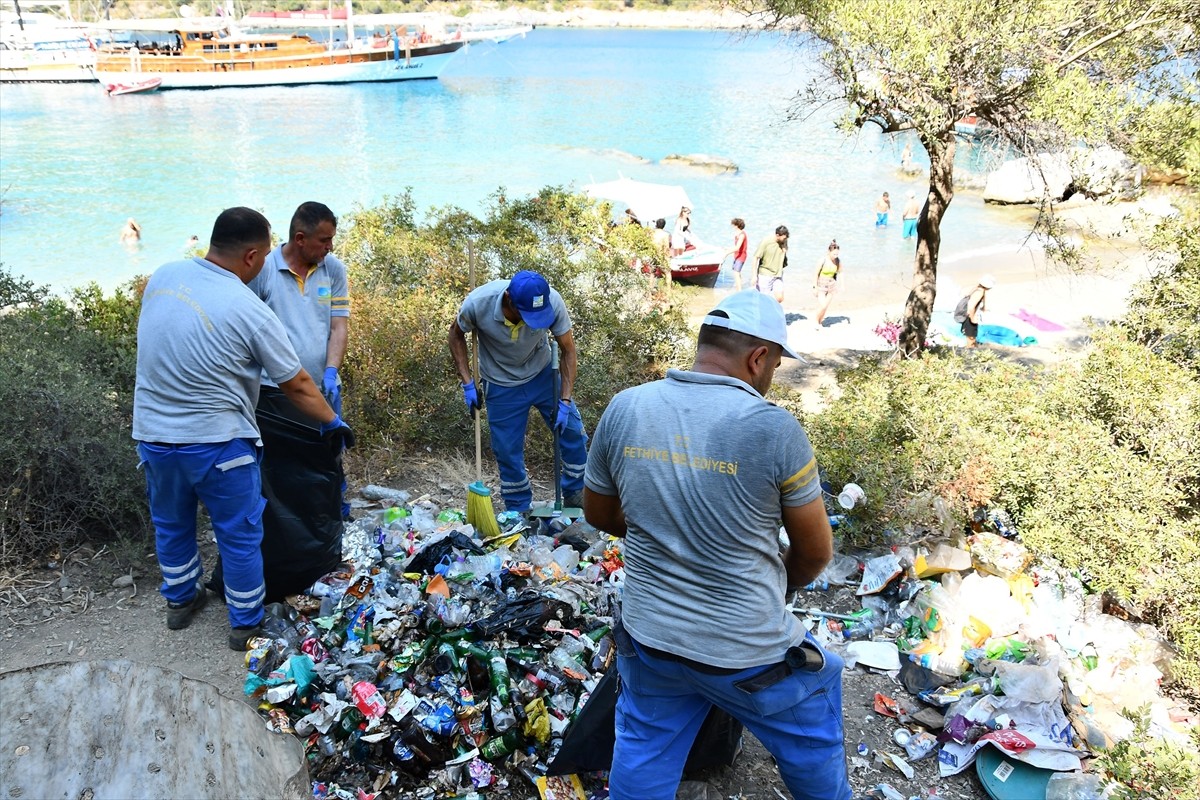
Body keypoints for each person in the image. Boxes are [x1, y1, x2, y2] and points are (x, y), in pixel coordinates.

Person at [583, 290, 849, 800]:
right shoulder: (773, 428)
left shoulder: (626, 407)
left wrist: (665, 535)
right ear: (758, 358)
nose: (771, 376)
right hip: (744, 653)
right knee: (813, 734)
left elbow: (598, 513)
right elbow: (816, 552)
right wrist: (777, 587)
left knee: (644, 746)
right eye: (775, 365)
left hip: (650, 636)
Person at [133, 207, 351, 651]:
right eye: (264, 255)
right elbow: (296, 383)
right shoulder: (248, 308)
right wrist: (332, 421)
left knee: (171, 523)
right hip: (218, 442)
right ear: (252, 256)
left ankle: (180, 600)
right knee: (240, 533)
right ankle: (246, 623)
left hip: (154, 436)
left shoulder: (164, 276)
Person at [448, 270, 588, 514]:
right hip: (500, 382)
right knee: (507, 450)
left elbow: (568, 350)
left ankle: (576, 492)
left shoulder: (552, 301)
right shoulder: (478, 303)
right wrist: (468, 382)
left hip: (543, 374)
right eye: (528, 315)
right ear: (509, 300)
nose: (533, 321)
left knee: (573, 432)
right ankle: (518, 507)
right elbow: (455, 335)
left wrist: (565, 400)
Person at [750, 224, 789, 303]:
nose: (785, 240)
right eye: (784, 238)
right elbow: (755, 258)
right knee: (763, 299)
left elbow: (783, 255)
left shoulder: (784, 241)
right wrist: (754, 276)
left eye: (786, 238)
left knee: (780, 298)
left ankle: (770, 306)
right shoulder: (766, 241)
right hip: (765, 274)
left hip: (778, 274)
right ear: (777, 235)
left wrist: (785, 250)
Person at [813, 239, 842, 328]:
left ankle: (819, 322)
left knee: (825, 307)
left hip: (831, 286)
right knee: (823, 305)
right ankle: (816, 321)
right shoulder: (823, 260)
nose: (835, 256)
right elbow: (815, 274)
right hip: (821, 285)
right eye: (834, 254)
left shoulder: (837, 261)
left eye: (837, 254)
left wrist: (841, 285)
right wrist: (814, 287)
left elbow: (840, 272)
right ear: (829, 252)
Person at [962, 274, 994, 348]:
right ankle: (970, 348)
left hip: (968, 315)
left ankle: (972, 347)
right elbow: (971, 305)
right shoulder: (980, 292)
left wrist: (983, 308)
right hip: (970, 315)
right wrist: (972, 318)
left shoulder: (977, 289)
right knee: (971, 337)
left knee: (971, 336)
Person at [727, 217, 749, 291]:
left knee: (736, 273)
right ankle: (739, 287)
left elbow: (737, 247)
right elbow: (736, 247)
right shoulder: (737, 234)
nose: (732, 226)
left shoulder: (742, 235)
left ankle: (739, 290)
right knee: (737, 273)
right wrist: (727, 248)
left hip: (741, 256)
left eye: (733, 225)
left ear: (737, 226)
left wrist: (727, 253)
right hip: (737, 255)